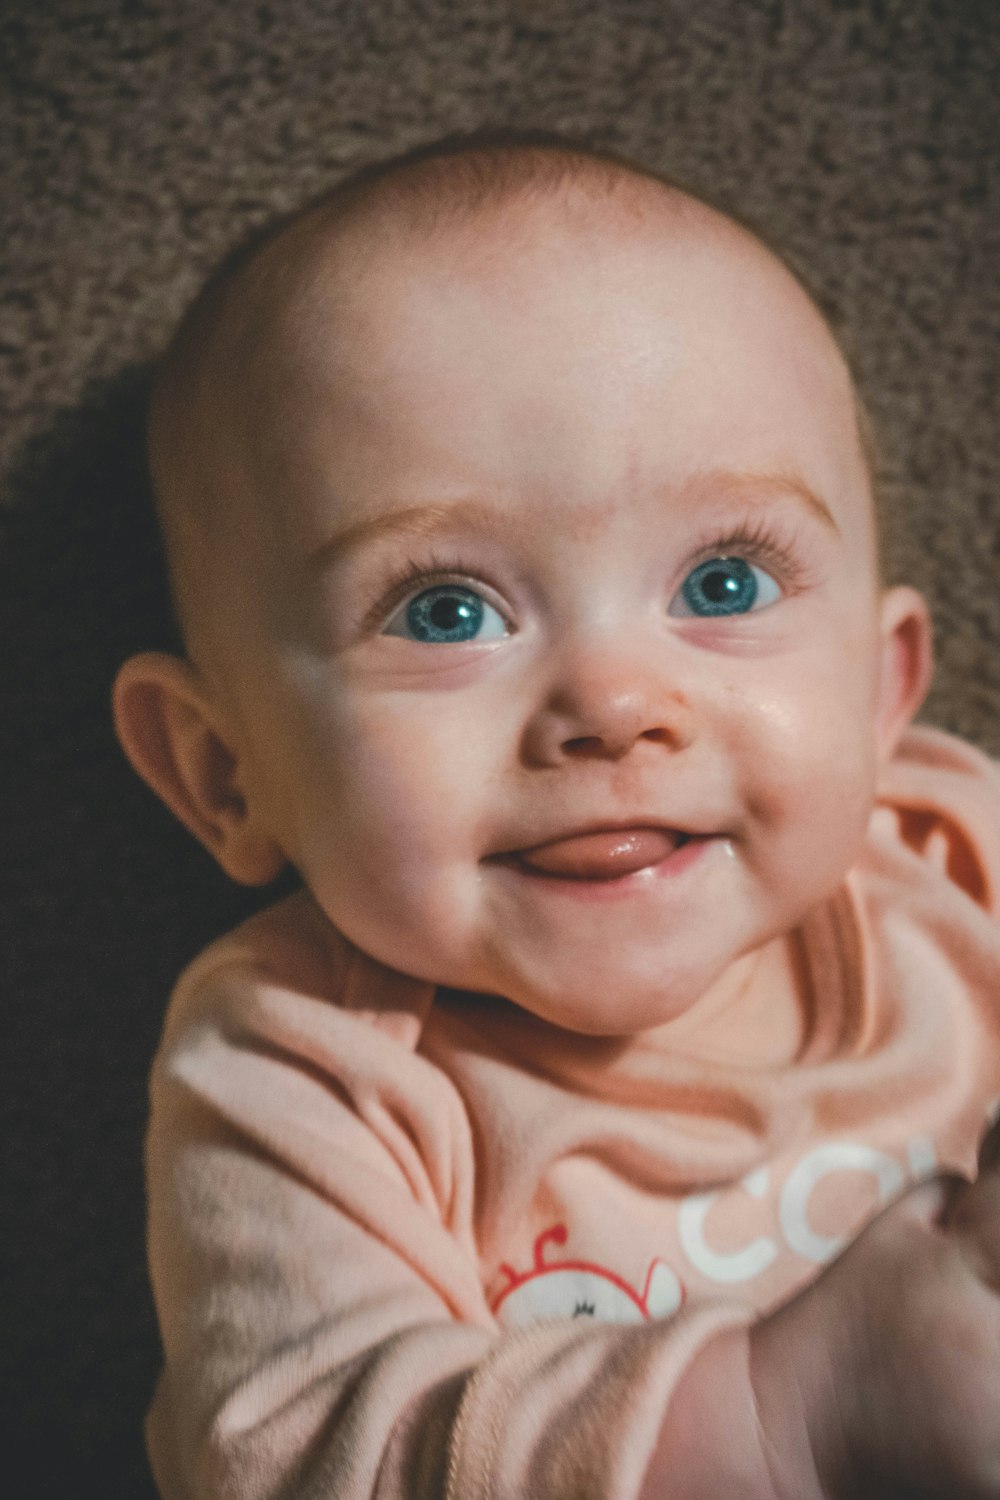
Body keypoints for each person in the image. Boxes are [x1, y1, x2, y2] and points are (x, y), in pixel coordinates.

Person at [113, 132, 1000, 1500]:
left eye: (723, 584)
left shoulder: (955, 862)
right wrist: (789, 1418)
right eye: (446, 611)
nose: (615, 704)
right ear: (227, 774)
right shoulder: (308, 1066)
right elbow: (289, 1449)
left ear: (883, 696)